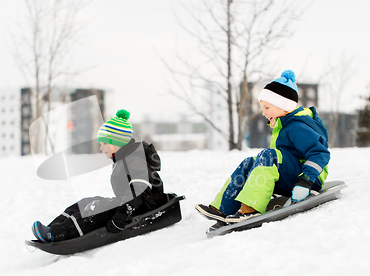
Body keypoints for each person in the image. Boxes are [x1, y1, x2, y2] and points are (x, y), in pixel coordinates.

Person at [196, 70, 330, 223]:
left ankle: (250, 208)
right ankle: (223, 209)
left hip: (308, 179)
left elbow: (320, 153)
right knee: (250, 162)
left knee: (268, 156)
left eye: (267, 108)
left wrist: (306, 181)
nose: (264, 113)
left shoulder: (298, 127)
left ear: (283, 105)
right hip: (290, 176)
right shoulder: (284, 126)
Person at [32, 109, 168, 242]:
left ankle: (56, 235)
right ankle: (53, 228)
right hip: (132, 203)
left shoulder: (134, 159)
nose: (101, 147)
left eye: (104, 143)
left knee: (96, 210)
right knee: (86, 202)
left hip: (144, 206)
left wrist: (121, 216)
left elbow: (140, 189)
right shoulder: (124, 158)